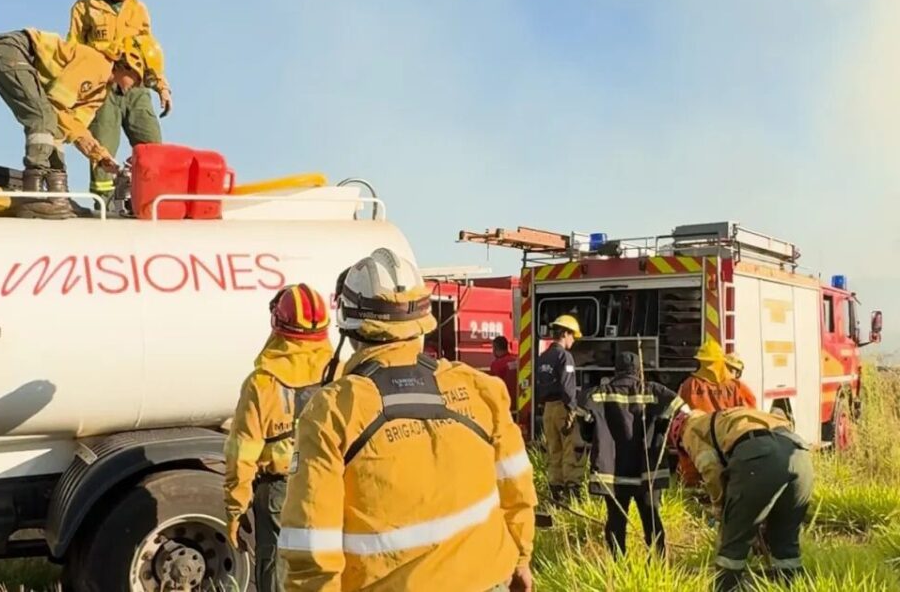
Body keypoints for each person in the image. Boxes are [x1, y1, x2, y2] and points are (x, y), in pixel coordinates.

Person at [279, 248, 537, 592]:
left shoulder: (333, 411)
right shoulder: (479, 389)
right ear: (423, 321)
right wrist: (520, 556)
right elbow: (517, 488)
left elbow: (311, 542)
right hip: (491, 580)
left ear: (349, 326)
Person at [224, 284, 332, 592]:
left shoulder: (261, 383)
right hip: (328, 483)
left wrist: (235, 507)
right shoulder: (340, 372)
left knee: (276, 573)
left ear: (278, 325)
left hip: (279, 493)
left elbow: (242, 451)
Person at [0, 29, 154, 219]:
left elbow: (73, 126)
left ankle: (59, 195)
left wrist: (99, 155)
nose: (139, 85)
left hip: (18, 56)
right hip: (11, 49)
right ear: (128, 64)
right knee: (42, 117)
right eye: (141, 78)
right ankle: (34, 196)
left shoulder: (99, 92)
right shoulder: (95, 63)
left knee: (55, 128)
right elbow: (57, 105)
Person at [68, 0, 172, 203]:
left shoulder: (139, 10)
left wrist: (161, 86)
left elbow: (150, 51)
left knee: (152, 146)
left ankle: (149, 197)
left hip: (136, 89)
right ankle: (104, 203)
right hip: (103, 89)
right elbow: (72, 51)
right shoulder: (85, 7)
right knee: (102, 148)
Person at [669, 407, 814, 592]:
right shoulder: (729, 417)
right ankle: (791, 586)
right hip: (800, 456)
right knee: (785, 545)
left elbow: (711, 469)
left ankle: (725, 588)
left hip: (759, 457)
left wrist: (722, 509)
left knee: (734, 546)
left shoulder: (689, 429)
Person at [576, 352, 684, 557]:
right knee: (652, 520)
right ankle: (658, 565)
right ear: (638, 370)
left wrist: (592, 434)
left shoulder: (598, 394)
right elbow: (682, 410)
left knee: (616, 522)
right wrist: (661, 427)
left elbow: (582, 416)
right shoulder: (655, 392)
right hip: (647, 471)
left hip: (614, 473)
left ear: (616, 370)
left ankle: (618, 564)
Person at [676, 337, 756, 486]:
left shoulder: (689, 385)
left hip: (698, 452)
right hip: (730, 448)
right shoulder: (737, 386)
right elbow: (751, 415)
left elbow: (679, 419)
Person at [537, 314, 586, 502]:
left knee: (553, 451)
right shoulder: (565, 356)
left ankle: (555, 494)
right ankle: (572, 493)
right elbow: (567, 386)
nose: (573, 340)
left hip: (547, 409)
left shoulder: (543, 357)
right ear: (564, 333)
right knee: (571, 449)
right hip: (562, 408)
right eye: (572, 336)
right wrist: (572, 409)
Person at [489, 335, 519, 413]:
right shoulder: (515, 360)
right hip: (518, 401)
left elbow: (494, 386)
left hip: (505, 402)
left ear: (495, 348)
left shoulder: (496, 364)